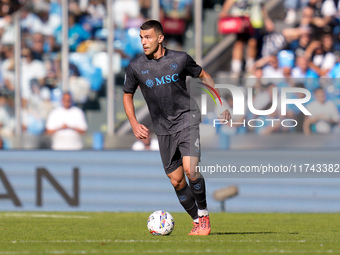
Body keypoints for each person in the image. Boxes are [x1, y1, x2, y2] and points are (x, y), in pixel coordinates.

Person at [123, 20, 231, 236]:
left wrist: (220, 104)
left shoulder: (180, 59)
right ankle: (196, 220)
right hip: (162, 129)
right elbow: (127, 95)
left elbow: (204, 76)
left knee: (191, 170)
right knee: (176, 179)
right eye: (141, 38)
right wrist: (134, 122)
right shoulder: (136, 66)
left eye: (148, 37)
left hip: (186, 119)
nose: (144, 42)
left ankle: (203, 216)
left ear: (160, 38)